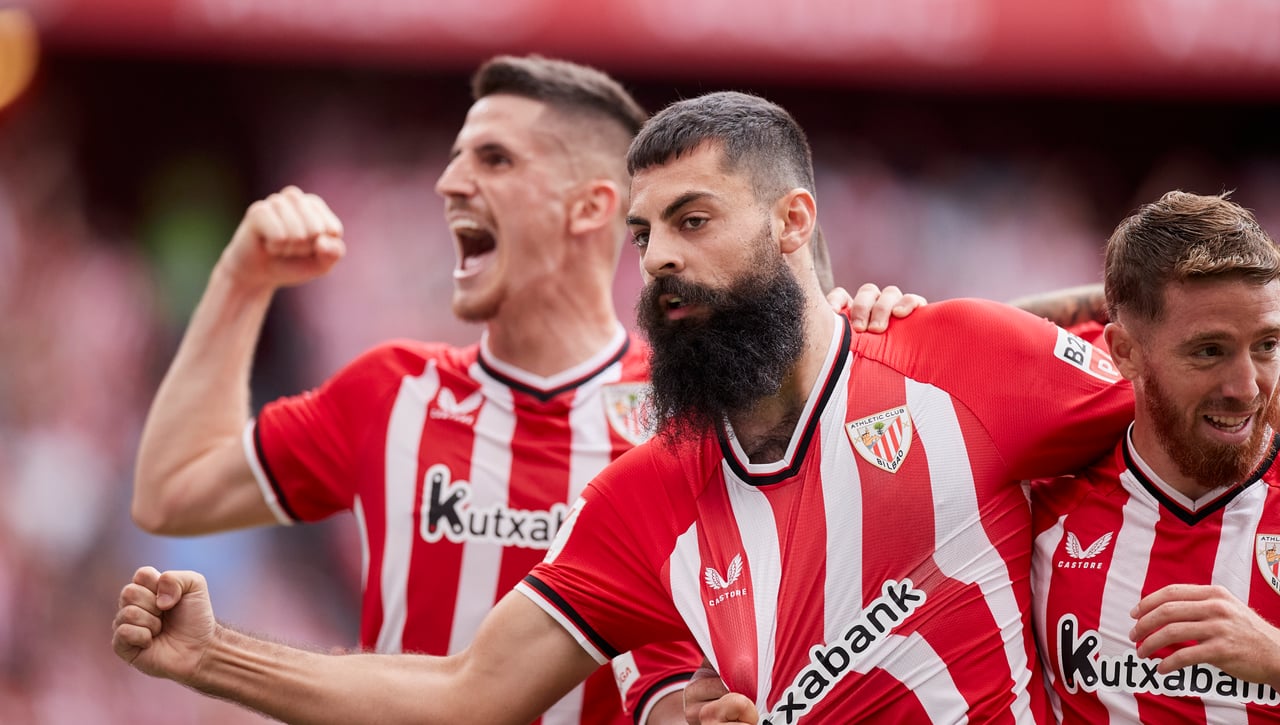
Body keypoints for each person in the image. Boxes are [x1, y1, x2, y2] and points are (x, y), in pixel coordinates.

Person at [113, 90, 1133, 723]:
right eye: (646, 236)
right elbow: (469, 690)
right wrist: (214, 655)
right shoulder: (643, 494)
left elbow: (1213, 407)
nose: (660, 261)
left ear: (791, 223)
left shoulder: (957, 359)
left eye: (692, 220)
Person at [1031, 191, 1280, 722]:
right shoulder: (1038, 503)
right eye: (1208, 351)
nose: (1246, 387)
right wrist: (889, 317)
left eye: (1266, 345)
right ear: (1123, 352)